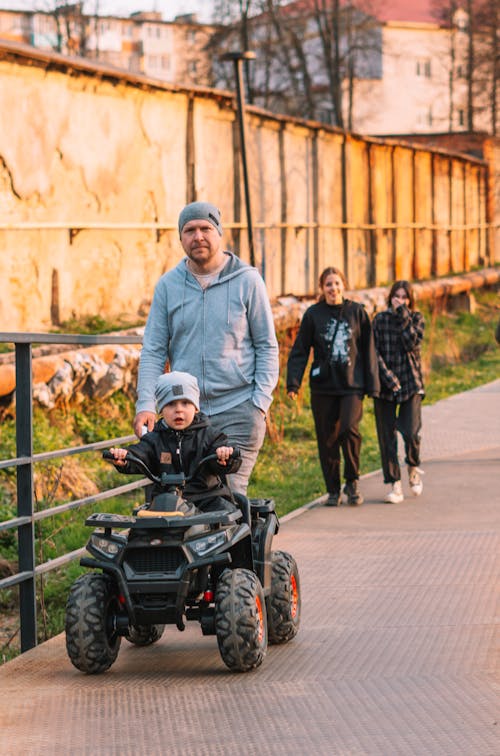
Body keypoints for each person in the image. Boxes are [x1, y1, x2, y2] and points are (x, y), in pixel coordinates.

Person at [133, 201, 279, 496]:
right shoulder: (168, 286)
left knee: (229, 499)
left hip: (238, 410)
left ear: (219, 233)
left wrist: (259, 404)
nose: (198, 236)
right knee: (183, 501)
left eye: (205, 228)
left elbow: (267, 346)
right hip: (184, 414)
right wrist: (146, 404)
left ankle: (242, 543)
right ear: (181, 238)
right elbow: (153, 350)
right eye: (189, 230)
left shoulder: (248, 281)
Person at [286, 266, 380, 507]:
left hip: (352, 385)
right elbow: (300, 350)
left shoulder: (357, 312)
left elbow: (369, 349)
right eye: (328, 284)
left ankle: (352, 481)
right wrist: (293, 383)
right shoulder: (313, 315)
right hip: (323, 388)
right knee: (326, 439)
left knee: (349, 430)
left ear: (343, 285)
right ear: (322, 288)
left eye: (337, 283)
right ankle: (333, 489)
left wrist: (373, 383)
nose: (333, 288)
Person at [108, 371, 241, 512]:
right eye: (171, 404)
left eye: (185, 403)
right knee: (141, 529)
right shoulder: (154, 439)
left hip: (206, 498)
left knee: (227, 521)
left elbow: (226, 454)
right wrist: (125, 457)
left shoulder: (210, 436)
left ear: (195, 408)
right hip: (166, 501)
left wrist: (225, 456)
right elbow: (140, 453)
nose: (178, 410)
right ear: (161, 410)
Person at [372, 280, 425, 504]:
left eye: (404, 297)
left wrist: (402, 314)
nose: (400, 301)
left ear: (410, 300)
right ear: (390, 297)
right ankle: (394, 484)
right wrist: (388, 377)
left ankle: (413, 466)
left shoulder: (416, 319)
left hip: (411, 382)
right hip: (385, 385)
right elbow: (374, 353)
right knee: (387, 437)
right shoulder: (380, 320)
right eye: (396, 296)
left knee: (411, 432)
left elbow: (412, 343)